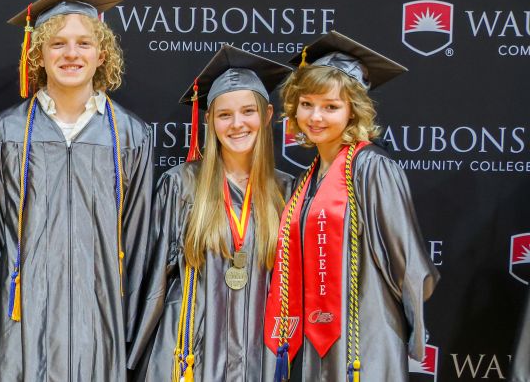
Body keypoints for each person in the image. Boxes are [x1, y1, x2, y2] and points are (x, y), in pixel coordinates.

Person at [0, 0, 154, 381]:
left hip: (101, 317)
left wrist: (130, 321)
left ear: (101, 54)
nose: (71, 54)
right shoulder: (9, 131)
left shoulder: (131, 135)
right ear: (38, 54)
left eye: (84, 43)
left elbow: (139, 241)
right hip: (24, 317)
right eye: (57, 44)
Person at [263, 31, 439, 381]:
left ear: (353, 111)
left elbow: (409, 264)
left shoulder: (372, 167)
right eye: (307, 103)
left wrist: (378, 317)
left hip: (365, 335)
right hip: (316, 338)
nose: (316, 116)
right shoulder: (304, 181)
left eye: (331, 106)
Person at [129, 45, 293, 381]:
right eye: (224, 114)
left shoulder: (288, 191)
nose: (237, 124)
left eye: (248, 111)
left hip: (258, 354)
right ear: (209, 120)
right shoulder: (181, 184)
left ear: (267, 116)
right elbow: (154, 279)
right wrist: (130, 355)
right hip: (189, 351)